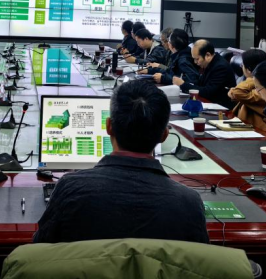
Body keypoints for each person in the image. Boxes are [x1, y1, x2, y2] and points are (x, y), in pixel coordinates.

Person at [33, 80, 208, 244]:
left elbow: (39, 251)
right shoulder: (189, 203)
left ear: (109, 126)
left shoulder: (69, 189)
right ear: (164, 135)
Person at [169, 40, 233, 108]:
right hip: (209, 103)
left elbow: (207, 92)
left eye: (197, 59)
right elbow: (199, 84)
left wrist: (183, 84)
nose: (195, 62)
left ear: (208, 55)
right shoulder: (209, 63)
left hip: (221, 108)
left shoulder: (220, 67)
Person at [228, 49, 266, 132]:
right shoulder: (254, 86)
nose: (241, 67)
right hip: (246, 126)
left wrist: (254, 78)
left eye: (242, 65)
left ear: (249, 69)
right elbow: (237, 93)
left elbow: (237, 92)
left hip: (259, 131)